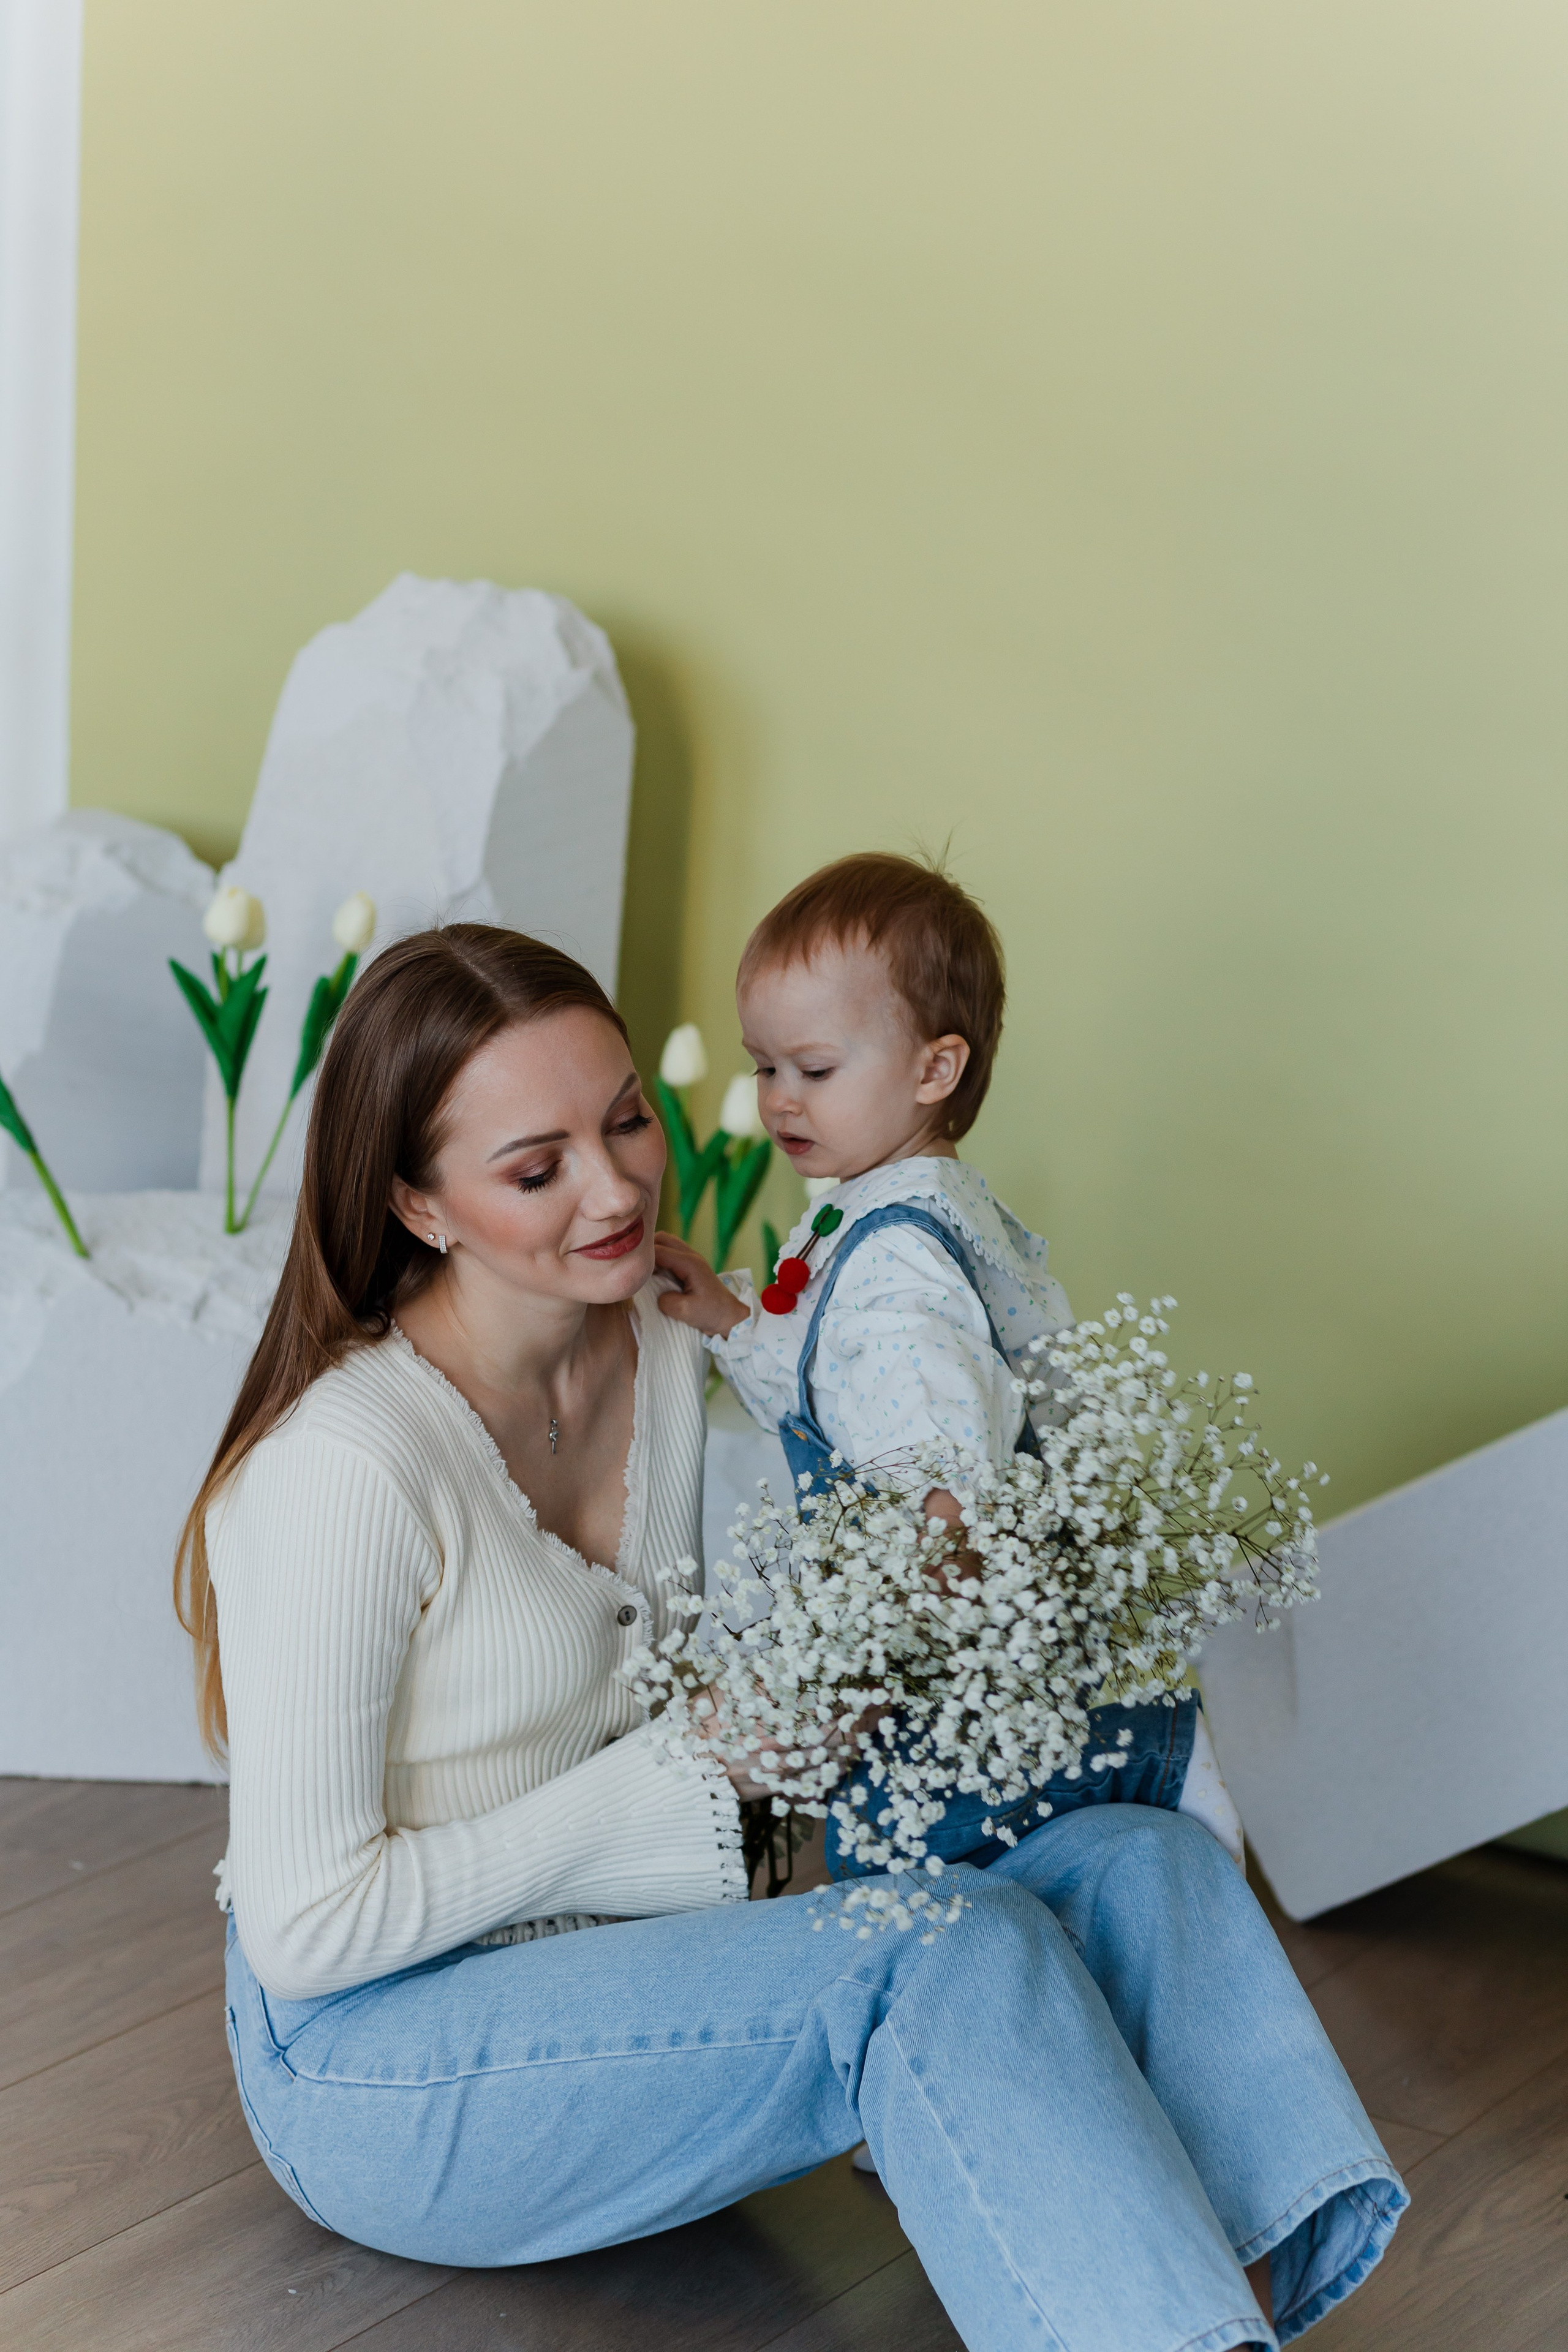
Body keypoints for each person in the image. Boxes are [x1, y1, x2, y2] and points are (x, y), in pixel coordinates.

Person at [184, 921, 1403, 2350]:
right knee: (936, 1951)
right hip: (382, 2062)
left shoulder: (650, 1343)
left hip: (638, 1960)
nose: (618, 1184)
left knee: (1141, 1859)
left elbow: (669, 1716)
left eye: (626, 1119)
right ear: (419, 1205)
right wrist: (691, 1779)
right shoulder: (348, 1466)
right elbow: (308, 1927)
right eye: (538, 1167)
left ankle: (1247, 2297)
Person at [656, 851, 1241, 1867]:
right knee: (924, 1813)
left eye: (815, 1070)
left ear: (936, 1068)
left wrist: (910, 1601)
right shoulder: (898, 1200)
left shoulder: (897, 1272)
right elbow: (831, 1385)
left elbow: (938, 1450)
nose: (780, 1102)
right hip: (941, 1599)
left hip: (939, 1605)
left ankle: (1154, 1755)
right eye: (765, 1068)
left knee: (895, 1825)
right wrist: (732, 1321)